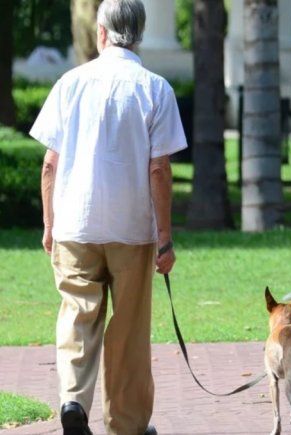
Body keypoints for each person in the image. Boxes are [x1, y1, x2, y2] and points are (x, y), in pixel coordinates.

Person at [30, 1, 187, 433]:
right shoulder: (155, 89)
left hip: (75, 225)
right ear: (139, 34)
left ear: (101, 32)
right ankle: (127, 425)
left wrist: (48, 224)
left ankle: (72, 401)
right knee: (129, 330)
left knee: (78, 314)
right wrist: (165, 237)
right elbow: (158, 168)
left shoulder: (70, 83)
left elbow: (50, 163)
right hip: (131, 228)